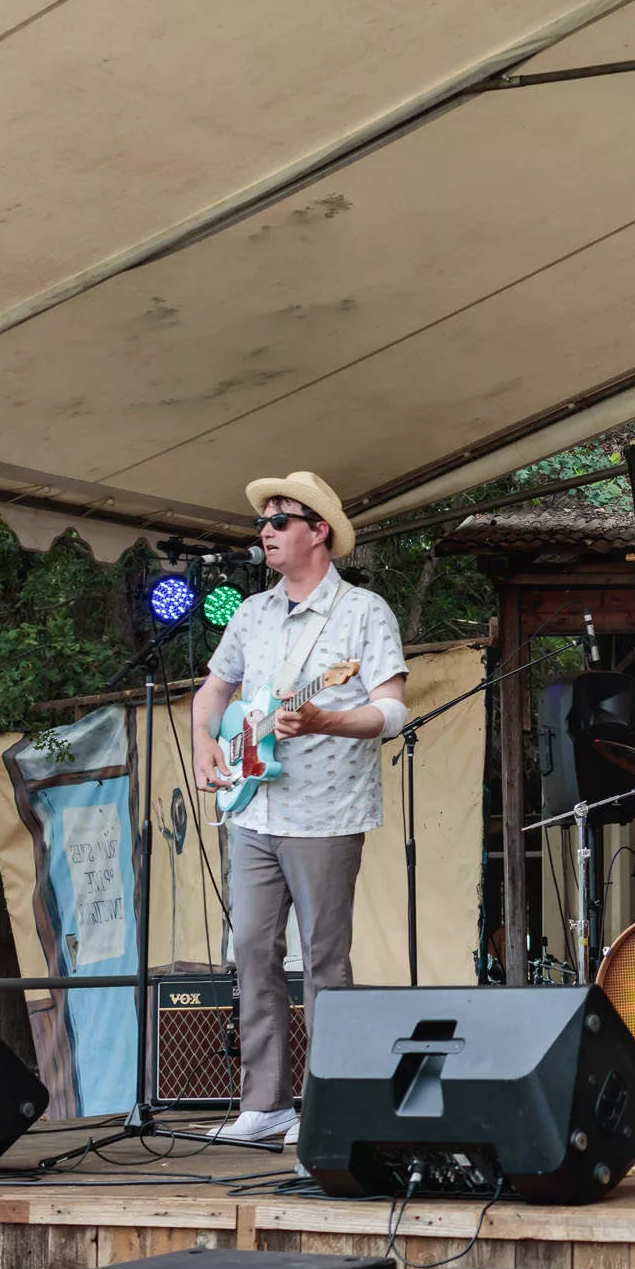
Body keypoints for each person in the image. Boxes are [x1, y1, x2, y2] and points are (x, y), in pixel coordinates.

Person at [191, 472, 409, 1144]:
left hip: (327, 811)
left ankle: (327, 1100)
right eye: (263, 520)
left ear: (319, 532)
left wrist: (324, 721)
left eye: (281, 519)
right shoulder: (252, 612)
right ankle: (265, 1102)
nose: (266, 529)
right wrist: (204, 739)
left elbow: (394, 708)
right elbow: (214, 688)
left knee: (323, 961)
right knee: (252, 951)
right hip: (254, 810)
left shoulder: (364, 612)